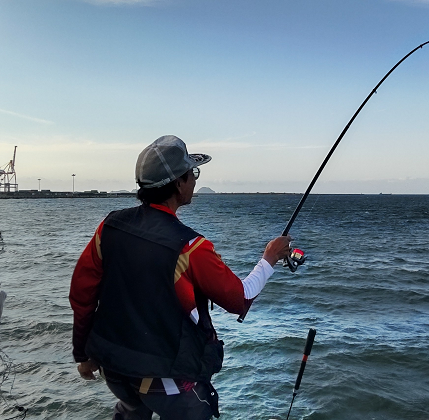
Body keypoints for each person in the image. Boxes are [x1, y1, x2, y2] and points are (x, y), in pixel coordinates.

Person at [69, 135, 292, 420]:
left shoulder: (109, 226)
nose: (195, 181)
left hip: (115, 370)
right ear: (178, 183)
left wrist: (83, 353)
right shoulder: (190, 247)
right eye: (193, 174)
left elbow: (82, 294)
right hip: (167, 382)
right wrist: (269, 258)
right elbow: (241, 299)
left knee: (130, 410)